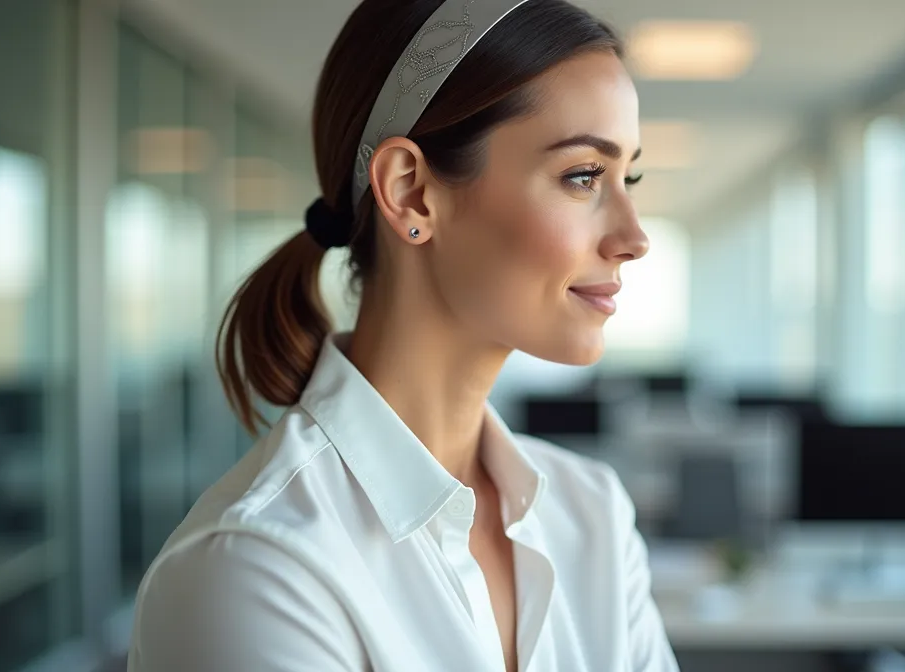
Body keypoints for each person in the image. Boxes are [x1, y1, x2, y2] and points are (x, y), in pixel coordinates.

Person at [128, 0, 676, 670]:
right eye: (584, 175)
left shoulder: (593, 515)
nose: (634, 238)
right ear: (412, 193)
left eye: (630, 177)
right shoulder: (259, 568)